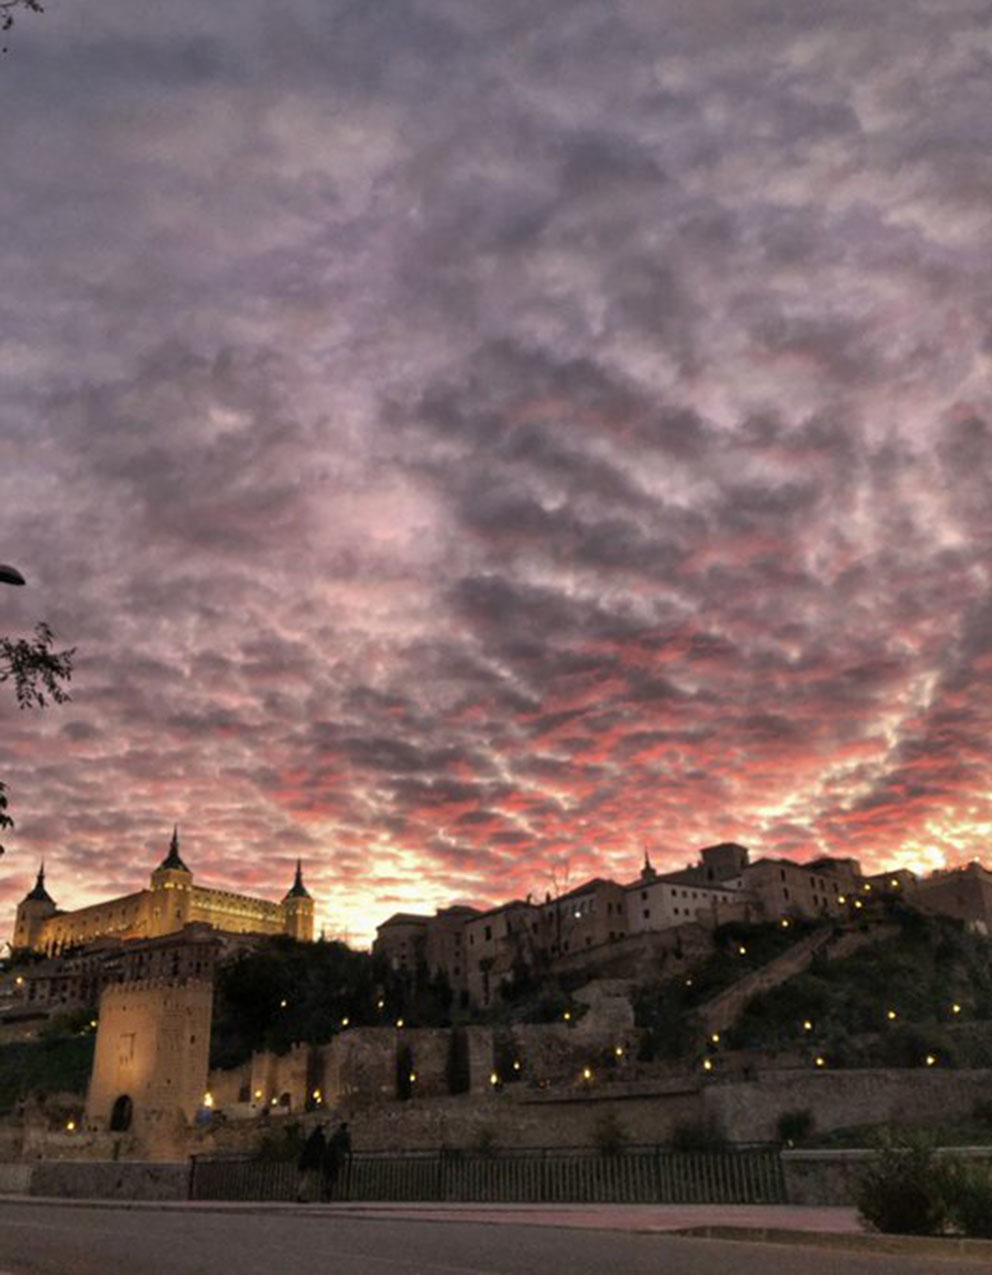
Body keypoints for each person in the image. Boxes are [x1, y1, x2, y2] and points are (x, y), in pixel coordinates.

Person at [321, 1121, 352, 1201]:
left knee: (327, 1177)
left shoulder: (335, 1134)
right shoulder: (345, 1135)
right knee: (332, 1177)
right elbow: (347, 1146)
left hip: (327, 1157)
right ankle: (328, 1194)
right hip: (335, 1158)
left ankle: (324, 1193)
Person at [297, 1123, 326, 1202]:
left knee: (304, 1179)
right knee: (308, 1179)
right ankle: (303, 1196)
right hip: (311, 1162)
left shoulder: (311, 1137)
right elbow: (322, 1149)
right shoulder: (320, 1138)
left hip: (305, 1161)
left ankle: (301, 1195)